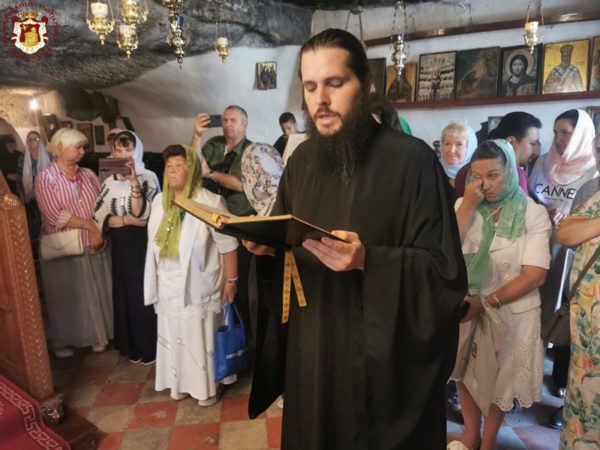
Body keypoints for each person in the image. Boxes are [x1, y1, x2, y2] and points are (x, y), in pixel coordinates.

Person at [246, 28, 467, 449]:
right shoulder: (301, 162)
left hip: (379, 364)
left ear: (364, 85)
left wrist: (370, 260)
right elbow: (287, 240)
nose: (320, 100)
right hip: (312, 352)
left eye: (334, 83)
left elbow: (445, 273)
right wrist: (266, 245)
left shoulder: (413, 161)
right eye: (311, 86)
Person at [448, 139, 551, 450]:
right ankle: (471, 434)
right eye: (477, 177)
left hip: (510, 310)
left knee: (499, 380)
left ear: (510, 171)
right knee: (463, 371)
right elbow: (446, 250)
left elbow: (535, 275)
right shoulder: (463, 206)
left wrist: (487, 303)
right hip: (467, 305)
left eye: (493, 175)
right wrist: (468, 205)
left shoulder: (531, 213)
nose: (485, 185)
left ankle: (489, 440)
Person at [144, 144, 239, 405]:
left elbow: (228, 244)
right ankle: (180, 384)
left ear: (193, 169)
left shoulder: (210, 202)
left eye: (179, 165)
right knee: (175, 332)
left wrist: (232, 280)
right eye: (169, 167)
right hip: (168, 281)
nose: (173, 171)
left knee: (199, 335)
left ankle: (206, 387)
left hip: (200, 282)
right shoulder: (159, 202)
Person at [527, 109, 598, 429]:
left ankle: (561, 384)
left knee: (565, 315)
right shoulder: (543, 164)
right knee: (539, 311)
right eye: (555, 131)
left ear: (581, 135)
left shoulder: (590, 171)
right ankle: (528, 378)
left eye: (566, 132)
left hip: (573, 259)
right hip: (542, 245)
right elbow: (532, 196)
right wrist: (542, 211)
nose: (558, 138)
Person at [34, 128, 113, 358]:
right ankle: (65, 340)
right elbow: (54, 215)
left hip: (93, 241)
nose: (82, 152)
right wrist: (90, 226)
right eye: (77, 147)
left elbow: (101, 204)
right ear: (59, 148)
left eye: (83, 147)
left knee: (97, 293)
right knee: (67, 296)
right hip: (65, 246)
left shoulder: (87, 174)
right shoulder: (46, 178)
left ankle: (98, 336)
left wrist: (98, 229)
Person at [94, 131, 160, 365]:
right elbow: (98, 217)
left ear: (137, 150)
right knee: (124, 293)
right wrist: (122, 220)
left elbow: (140, 213)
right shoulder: (108, 182)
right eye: (118, 150)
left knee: (142, 293)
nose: (123, 154)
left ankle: (148, 346)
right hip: (120, 245)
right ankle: (131, 345)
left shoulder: (148, 177)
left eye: (128, 149)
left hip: (141, 245)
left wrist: (132, 181)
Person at [556, 132, 600, 449]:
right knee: (584, 396)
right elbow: (566, 234)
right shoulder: (593, 190)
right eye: (599, 148)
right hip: (588, 327)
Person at [455, 112, 542, 197]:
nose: (537, 152)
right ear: (510, 142)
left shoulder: (465, 170)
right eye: (533, 144)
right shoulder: (514, 175)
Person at [16, 130, 51, 240]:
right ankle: (38, 246)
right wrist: (22, 200)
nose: (32, 141)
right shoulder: (23, 159)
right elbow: (19, 180)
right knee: (35, 226)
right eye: (29, 139)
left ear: (40, 141)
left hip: (48, 196)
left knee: (48, 224)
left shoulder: (49, 157)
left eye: (35, 139)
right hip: (31, 197)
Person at [439, 121, 477, 187]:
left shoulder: (476, 174)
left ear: (470, 148)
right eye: (447, 144)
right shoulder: (434, 169)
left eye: (459, 144)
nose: (452, 150)